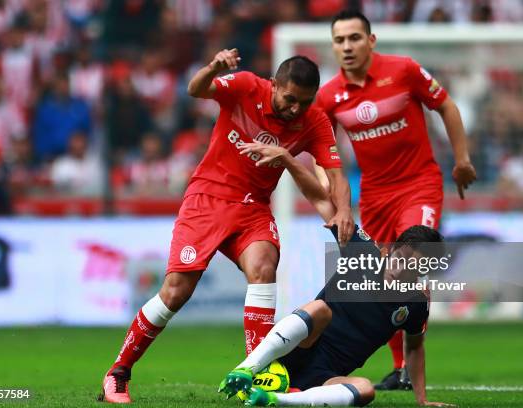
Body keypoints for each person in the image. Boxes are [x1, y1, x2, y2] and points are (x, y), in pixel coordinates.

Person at [99, 50, 354, 403]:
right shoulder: (247, 86)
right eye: (290, 99)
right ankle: (118, 372)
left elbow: (337, 175)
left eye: (304, 102)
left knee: (265, 266)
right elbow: (195, 90)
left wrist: (344, 210)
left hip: (253, 208)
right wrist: (212, 69)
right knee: (175, 292)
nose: (296, 109)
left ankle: (257, 372)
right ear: (274, 85)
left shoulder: (314, 120)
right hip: (208, 199)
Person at [217, 143, 453, 407]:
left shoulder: (416, 303)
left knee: (365, 389)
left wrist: (422, 400)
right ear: (391, 250)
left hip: (325, 376)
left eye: (413, 266)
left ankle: (274, 399)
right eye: (401, 257)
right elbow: (320, 199)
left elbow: (414, 347)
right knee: (320, 309)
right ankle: (246, 369)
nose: (402, 268)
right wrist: (287, 159)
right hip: (297, 351)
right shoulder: (363, 253)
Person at [313, 10, 477, 389]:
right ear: (333, 47)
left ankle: (409, 365)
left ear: (371, 41)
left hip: (419, 183)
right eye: (340, 40)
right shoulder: (328, 96)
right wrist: (336, 198)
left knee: (411, 261)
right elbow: (322, 151)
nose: (347, 46)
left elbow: (446, 106)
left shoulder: (403, 71)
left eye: (354, 38)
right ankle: (401, 368)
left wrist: (463, 159)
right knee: (383, 277)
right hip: (374, 195)